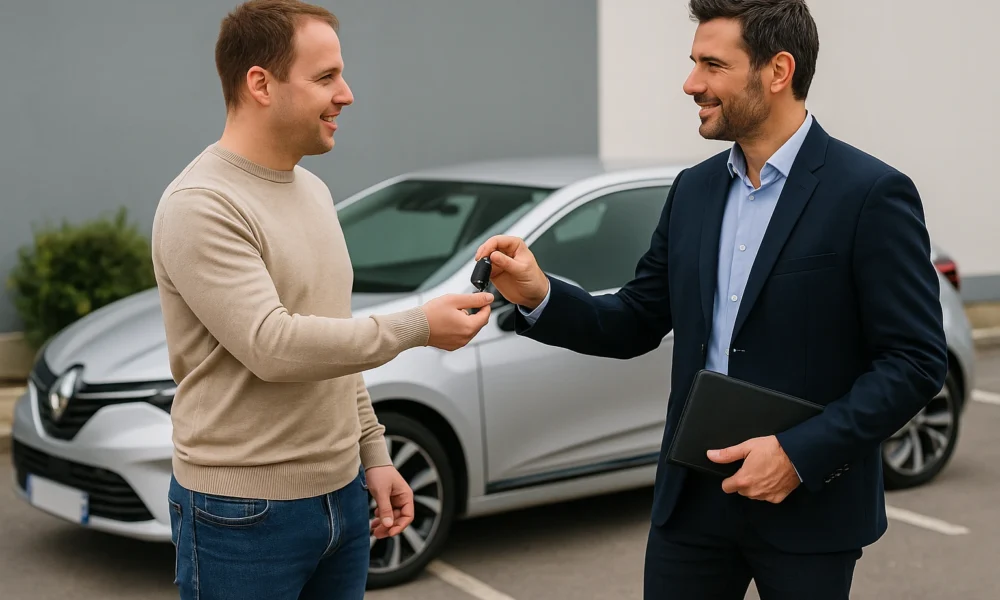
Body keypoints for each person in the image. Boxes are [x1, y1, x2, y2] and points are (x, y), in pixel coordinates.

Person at [475, 1, 948, 598]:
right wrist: (540, 294)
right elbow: (635, 320)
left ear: (778, 71)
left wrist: (797, 454)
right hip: (692, 504)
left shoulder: (870, 193)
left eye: (713, 65)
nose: (691, 83)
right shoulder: (693, 191)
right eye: (694, 62)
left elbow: (914, 361)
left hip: (808, 506)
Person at [150, 1, 494, 598]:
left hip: (343, 496)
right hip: (242, 516)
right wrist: (417, 326)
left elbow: (331, 337)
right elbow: (273, 346)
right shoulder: (201, 204)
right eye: (326, 77)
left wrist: (373, 453)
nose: (347, 95)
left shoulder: (312, 190)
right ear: (261, 83)